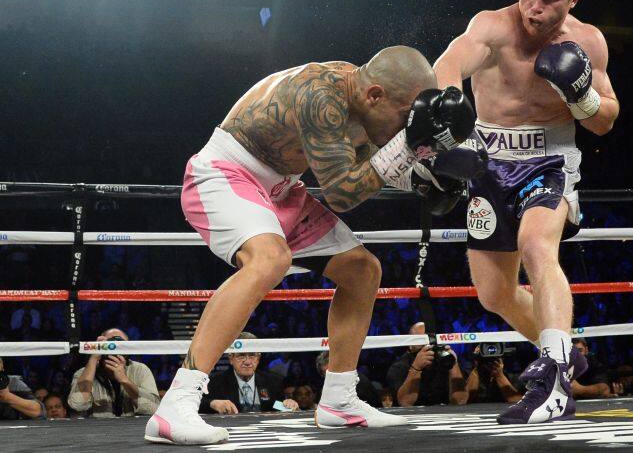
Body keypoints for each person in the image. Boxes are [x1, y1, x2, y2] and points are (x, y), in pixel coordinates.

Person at [146, 46, 476, 444]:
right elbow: (341, 192)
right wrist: (408, 146)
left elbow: (367, 155)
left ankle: (339, 401)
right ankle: (175, 404)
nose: (404, 129)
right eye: (404, 120)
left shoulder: (365, 100)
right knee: (269, 260)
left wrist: (424, 171)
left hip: (280, 189)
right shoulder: (320, 95)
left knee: (362, 269)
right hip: (224, 174)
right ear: (375, 95)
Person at [433, 0, 618, 424]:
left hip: (550, 160)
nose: (535, 8)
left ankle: (555, 378)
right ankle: (565, 349)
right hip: (487, 162)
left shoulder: (589, 42)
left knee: (537, 244)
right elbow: (447, 66)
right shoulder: (493, 26)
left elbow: (606, 122)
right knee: (493, 294)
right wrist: (452, 117)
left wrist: (583, 99)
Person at [68, 328, 160, 417]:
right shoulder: (83, 373)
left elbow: (153, 409)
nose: (116, 349)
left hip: (133, 430)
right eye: (111, 343)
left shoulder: (140, 370)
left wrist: (124, 380)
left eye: (121, 345)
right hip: (98, 430)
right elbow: (77, 406)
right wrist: (94, 357)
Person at [200, 332, 298, 414]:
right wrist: (212, 403)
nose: (247, 362)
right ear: (231, 359)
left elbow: (275, 405)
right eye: (241, 356)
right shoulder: (215, 382)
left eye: (252, 355)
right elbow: (196, 404)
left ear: (258, 359)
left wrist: (288, 405)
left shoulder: (273, 381)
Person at [386, 322, 468, 407]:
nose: (427, 343)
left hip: (443, 415)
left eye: (431, 338)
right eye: (421, 339)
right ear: (410, 345)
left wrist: (453, 364)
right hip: (412, 416)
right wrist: (416, 368)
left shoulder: (443, 360)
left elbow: (460, 401)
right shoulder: (399, 367)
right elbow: (405, 403)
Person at [315, 351, 381, 408]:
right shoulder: (325, 391)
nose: (331, 376)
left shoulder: (359, 382)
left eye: (332, 371)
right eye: (327, 374)